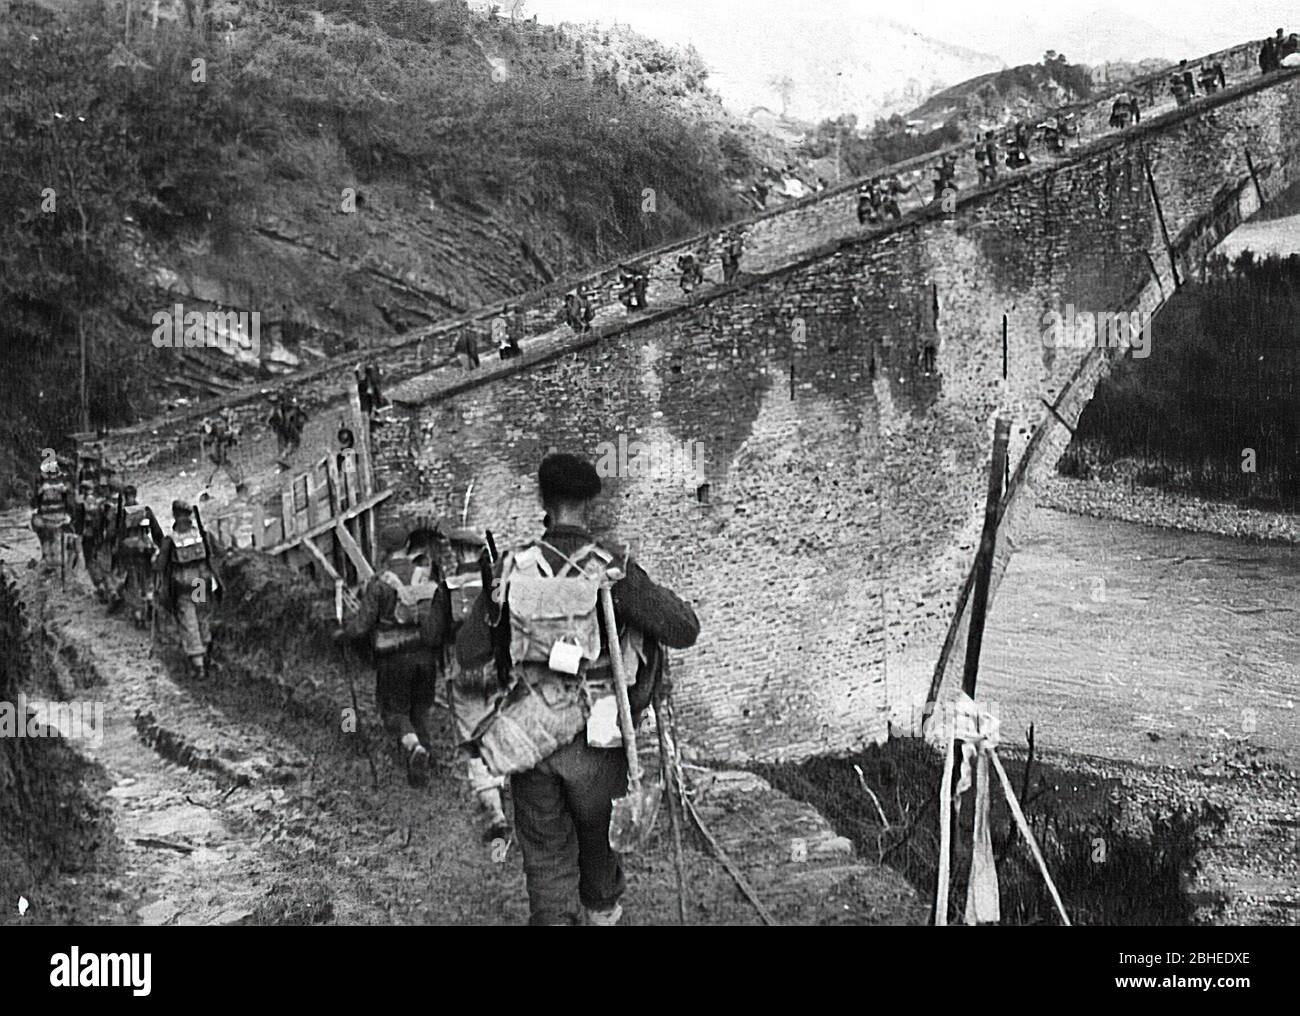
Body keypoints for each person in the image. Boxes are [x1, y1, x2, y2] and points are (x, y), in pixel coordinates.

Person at [456, 453, 701, 926]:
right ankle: (601, 913)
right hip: (599, 735)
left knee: (546, 858)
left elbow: (469, 652)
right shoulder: (612, 568)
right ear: (591, 503)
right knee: (600, 848)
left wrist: (500, 615)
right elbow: (684, 629)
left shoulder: (512, 568)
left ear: (542, 500)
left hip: (531, 734)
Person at [421, 528, 511, 843]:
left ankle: (495, 813)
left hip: (461, 674)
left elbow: (431, 636)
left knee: (473, 742)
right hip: (496, 670)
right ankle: (509, 791)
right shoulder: (498, 584)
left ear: (457, 552)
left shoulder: (447, 589)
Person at [334, 525, 442, 787]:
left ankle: (415, 747)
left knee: (394, 713)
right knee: (420, 710)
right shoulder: (425, 577)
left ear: (383, 550)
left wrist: (343, 633)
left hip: (394, 659)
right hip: (425, 657)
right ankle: (425, 770)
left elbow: (362, 627)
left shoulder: (380, 584)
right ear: (407, 546)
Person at [156, 499, 223, 679]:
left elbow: (160, 565)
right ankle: (206, 650)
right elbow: (220, 552)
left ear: (175, 515)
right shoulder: (202, 534)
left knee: (189, 622)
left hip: (183, 585)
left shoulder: (170, 539)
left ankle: (198, 664)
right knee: (201, 618)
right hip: (199, 582)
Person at [30, 454, 73, 573]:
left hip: (54, 519)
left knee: (51, 540)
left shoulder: (50, 487)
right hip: (51, 519)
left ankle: (52, 561)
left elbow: (34, 503)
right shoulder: (59, 487)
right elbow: (35, 503)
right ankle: (50, 560)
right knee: (50, 540)